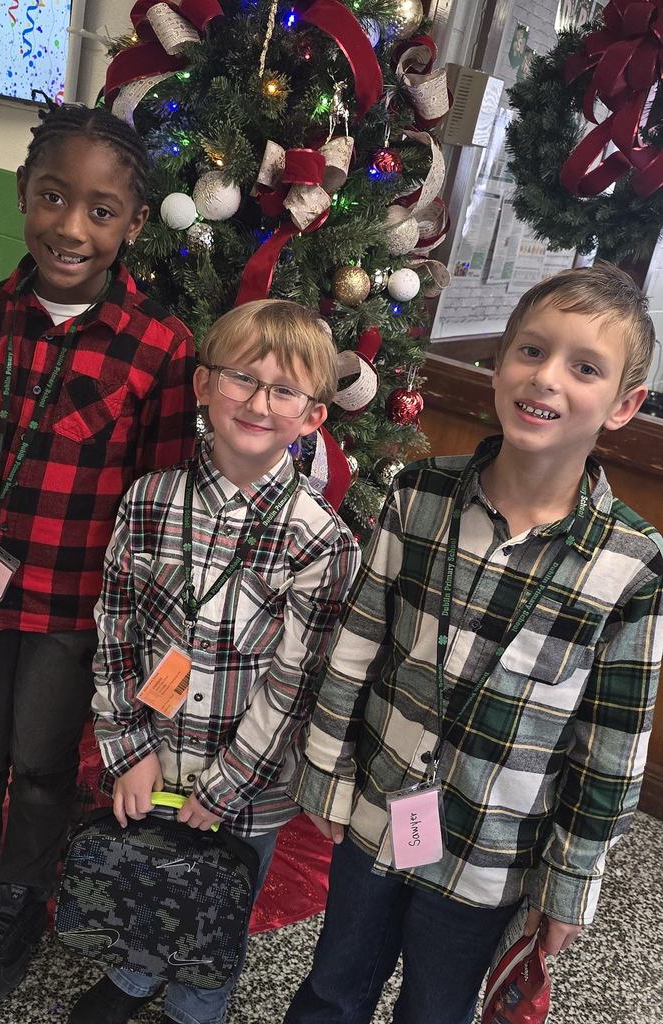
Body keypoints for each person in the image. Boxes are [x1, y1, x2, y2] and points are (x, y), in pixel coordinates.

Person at [284, 263, 663, 1024]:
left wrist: (570, 883)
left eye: (584, 367)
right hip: (376, 811)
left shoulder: (634, 566)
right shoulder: (416, 495)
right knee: (333, 988)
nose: (546, 378)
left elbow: (612, 751)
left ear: (624, 404)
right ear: (499, 364)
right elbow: (357, 643)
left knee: (438, 1009)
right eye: (530, 350)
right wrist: (326, 765)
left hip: (490, 859)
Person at [0, 101, 196, 1002]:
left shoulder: (159, 349)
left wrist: (140, 636)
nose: (71, 227)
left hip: (79, 614)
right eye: (53, 198)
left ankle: (21, 895)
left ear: (133, 224)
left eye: (101, 210)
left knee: (41, 762)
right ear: (23, 192)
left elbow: (156, 510)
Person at [69, 299, 361, 1024]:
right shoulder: (147, 503)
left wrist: (229, 786)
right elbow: (114, 636)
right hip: (153, 755)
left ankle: (199, 1003)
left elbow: (297, 684)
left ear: (312, 418)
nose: (259, 402)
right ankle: (133, 976)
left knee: (218, 902)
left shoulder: (323, 542)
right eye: (241, 379)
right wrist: (128, 748)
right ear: (203, 386)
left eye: (284, 390)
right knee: (144, 877)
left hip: (249, 788)